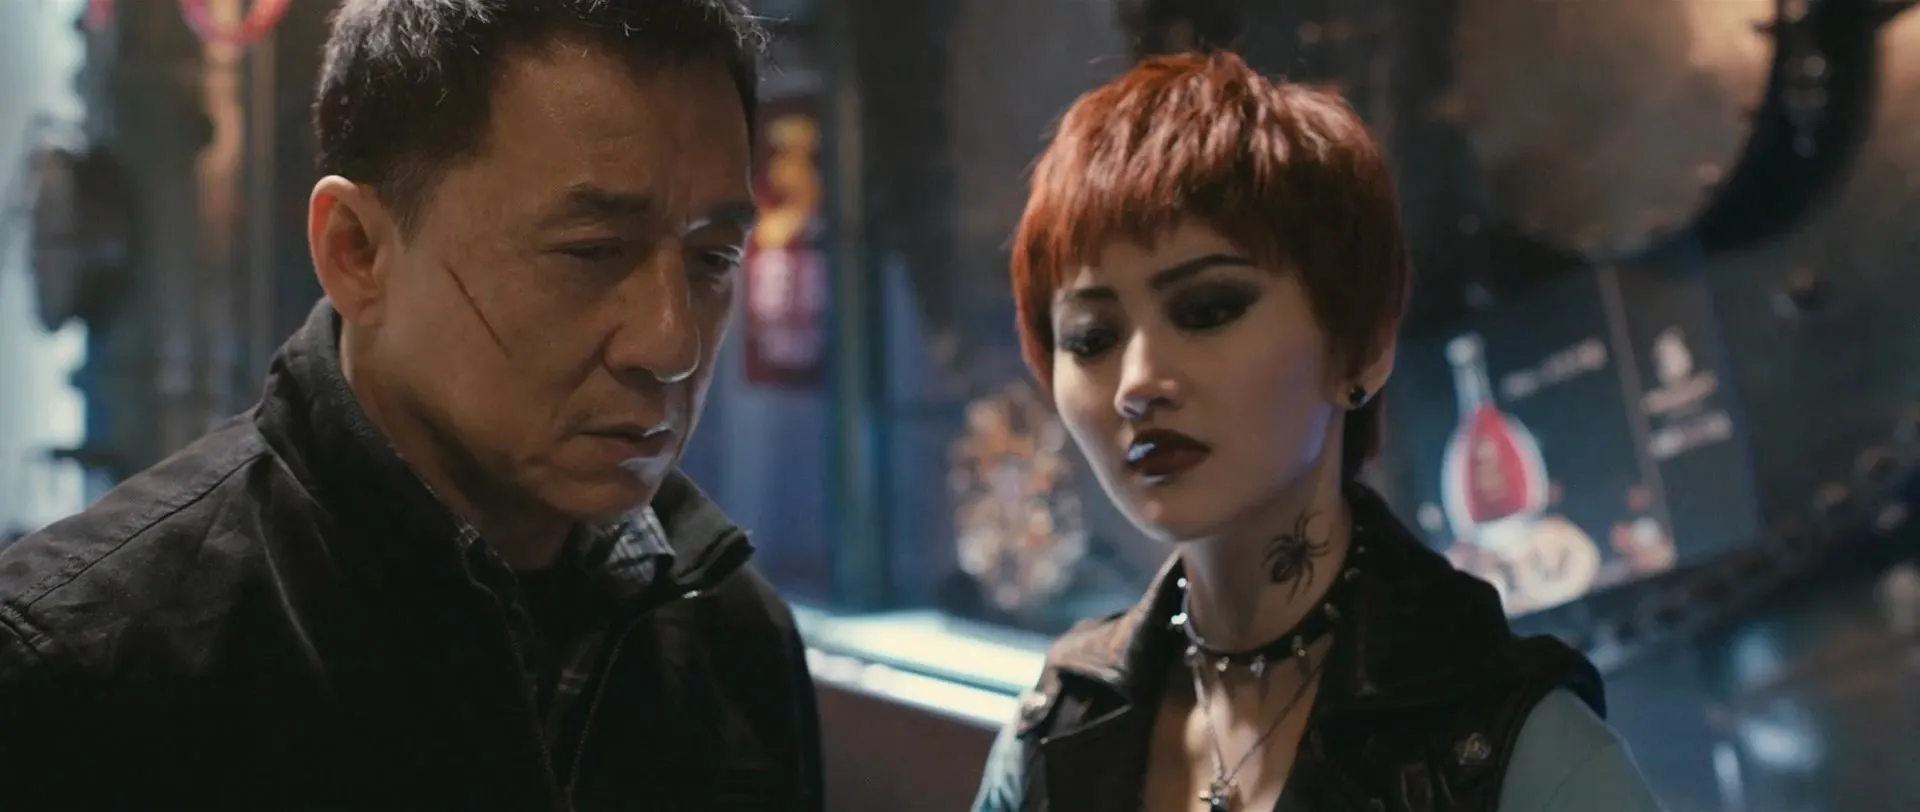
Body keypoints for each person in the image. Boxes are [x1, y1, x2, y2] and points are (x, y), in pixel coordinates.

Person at [0, 2, 822, 809]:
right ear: (356, 251)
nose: (672, 343)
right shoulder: (81, 672)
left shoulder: (731, 637)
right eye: (591, 251)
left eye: (712, 259)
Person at [972, 52, 1665, 812]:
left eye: (1208, 310)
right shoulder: (1058, 730)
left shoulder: (1507, 746)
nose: (1138, 382)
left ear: (1360, 345)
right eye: (1091, 337)